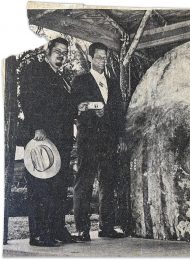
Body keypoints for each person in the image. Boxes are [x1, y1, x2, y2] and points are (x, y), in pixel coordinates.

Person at [20, 37, 77, 246]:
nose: (61, 54)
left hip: (61, 140)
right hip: (41, 137)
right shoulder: (35, 70)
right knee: (40, 187)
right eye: (58, 50)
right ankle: (39, 234)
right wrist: (37, 127)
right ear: (48, 51)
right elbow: (27, 98)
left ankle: (57, 229)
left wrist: (77, 109)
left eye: (64, 52)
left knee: (58, 187)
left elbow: (64, 107)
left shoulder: (61, 78)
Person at [72, 42, 127, 241]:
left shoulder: (112, 83)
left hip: (109, 141)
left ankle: (107, 227)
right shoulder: (81, 80)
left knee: (108, 184)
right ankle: (82, 229)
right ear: (90, 58)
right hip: (88, 140)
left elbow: (119, 112)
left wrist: (120, 136)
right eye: (98, 58)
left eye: (104, 58)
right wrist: (89, 111)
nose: (102, 61)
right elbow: (75, 108)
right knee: (84, 183)